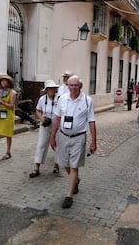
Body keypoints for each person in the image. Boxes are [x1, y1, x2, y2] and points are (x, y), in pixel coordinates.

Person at [50, 75, 97, 209]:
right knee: (64, 163)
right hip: (63, 136)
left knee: (74, 165)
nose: (74, 88)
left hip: (79, 137)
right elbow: (57, 118)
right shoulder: (62, 99)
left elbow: (92, 121)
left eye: (76, 85)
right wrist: (52, 136)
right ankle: (75, 180)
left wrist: (94, 141)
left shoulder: (87, 101)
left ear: (80, 86)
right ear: (68, 86)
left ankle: (69, 196)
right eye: (72, 85)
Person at [29, 80, 60, 178]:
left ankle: (56, 165)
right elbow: (38, 110)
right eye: (50, 89)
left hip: (57, 125)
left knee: (57, 145)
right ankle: (36, 168)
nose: (52, 91)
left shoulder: (59, 99)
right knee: (41, 145)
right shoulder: (42, 99)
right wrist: (42, 119)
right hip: (45, 125)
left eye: (53, 89)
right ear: (46, 90)